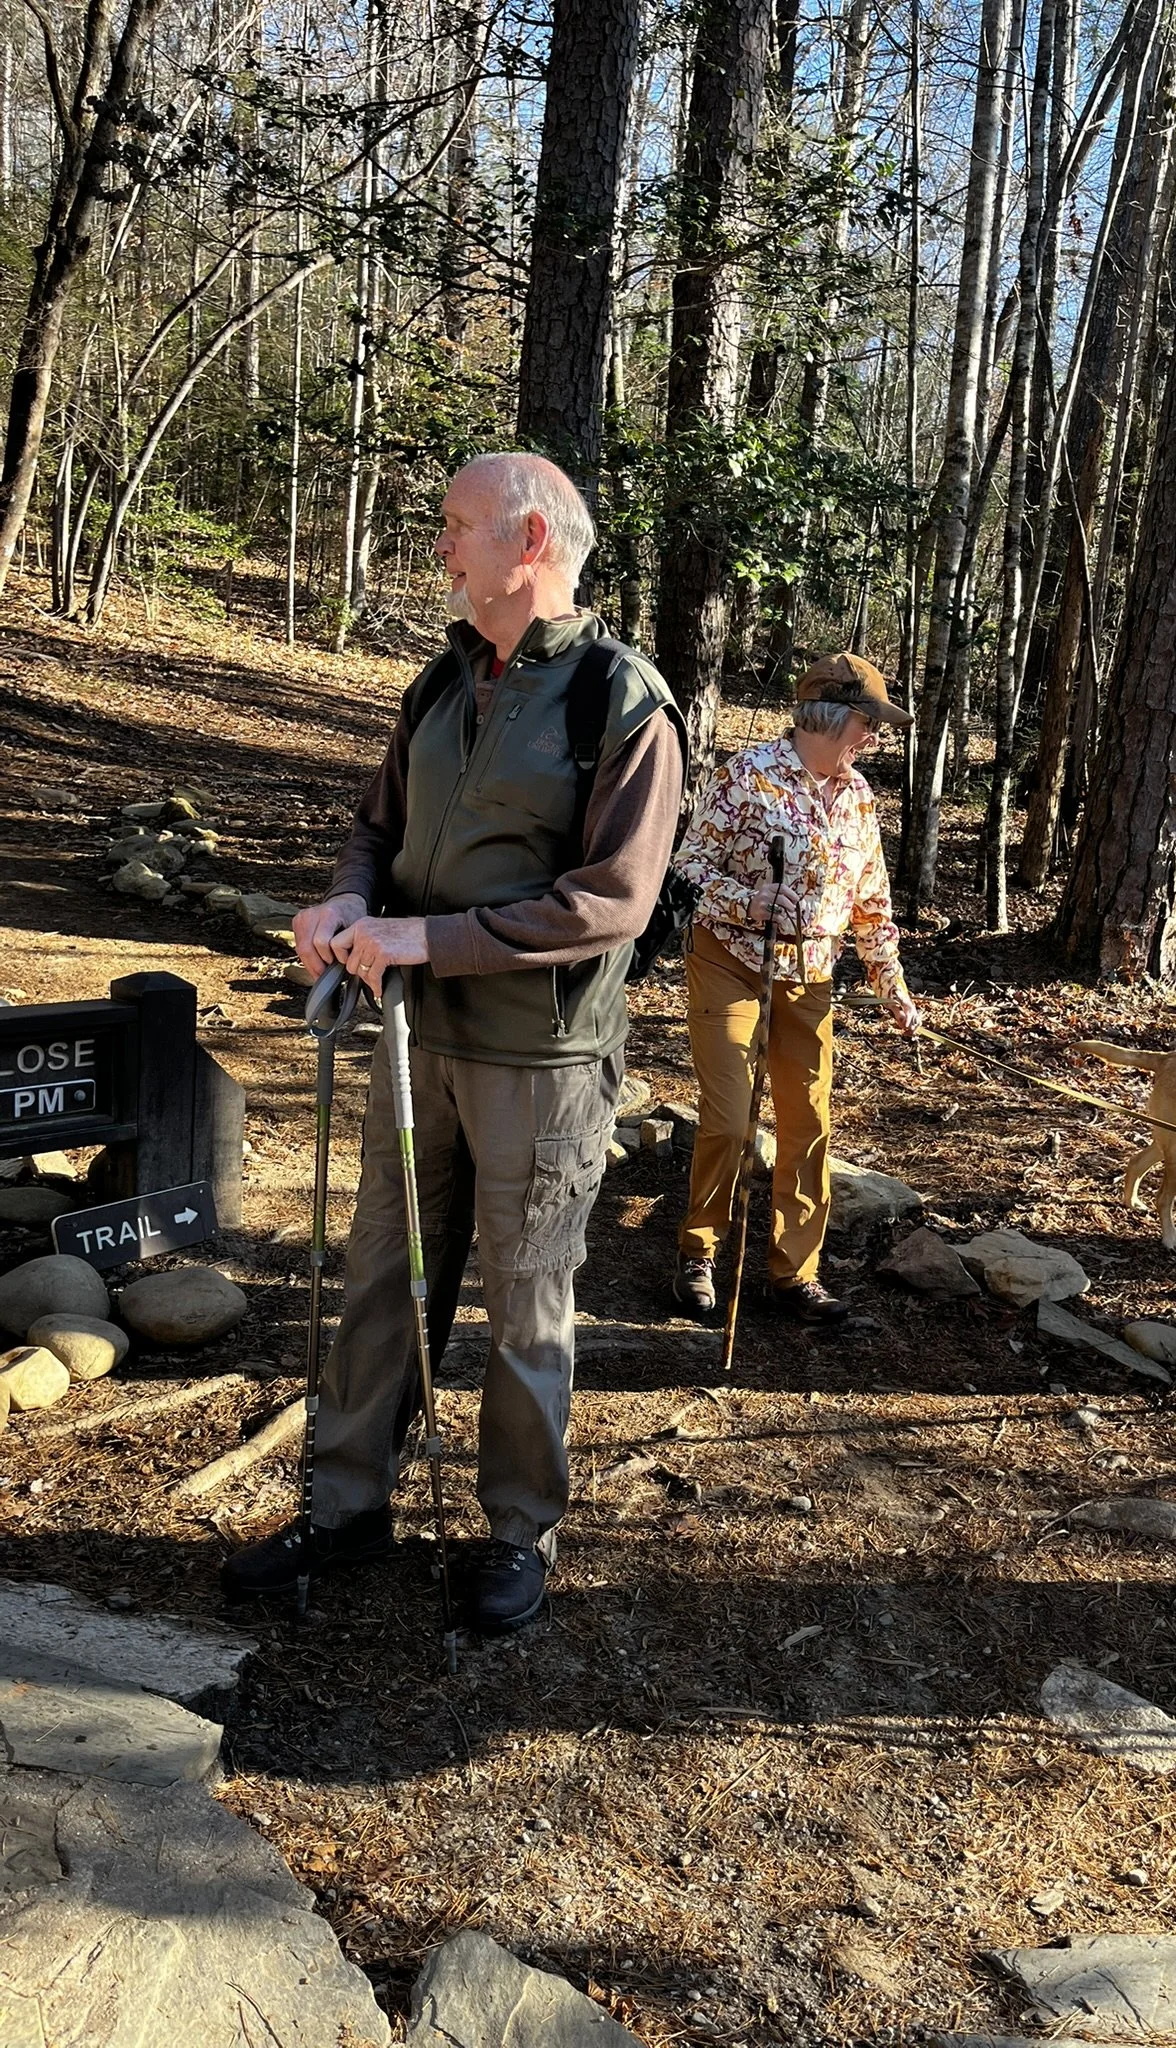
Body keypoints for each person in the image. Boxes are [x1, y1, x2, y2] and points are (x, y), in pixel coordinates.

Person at [221, 452, 685, 1632]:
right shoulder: (438, 682)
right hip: (411, 1039)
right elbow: (375, 829)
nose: (441, 547)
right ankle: (345, 1503)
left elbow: (612, 903)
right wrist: (342, 904)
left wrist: (430, 937)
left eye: (456, 527)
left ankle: (517, 1534)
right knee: (383, 1269)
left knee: (528, 1300)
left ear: (529, 543)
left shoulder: (620, 700)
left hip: (543, 1060)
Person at [671, 652, 919, 1324]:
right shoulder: (747, 777)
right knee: (727, 1116)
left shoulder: (859, 797)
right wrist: (747, 903)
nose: (874, 737)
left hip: (809, 977)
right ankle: (698, 1252)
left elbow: (871, 902)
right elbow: (687, 870)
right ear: (831, 716)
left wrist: (890, 984)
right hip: (731, 960)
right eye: (868, 723)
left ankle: (794, 1274)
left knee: (807, 1122)